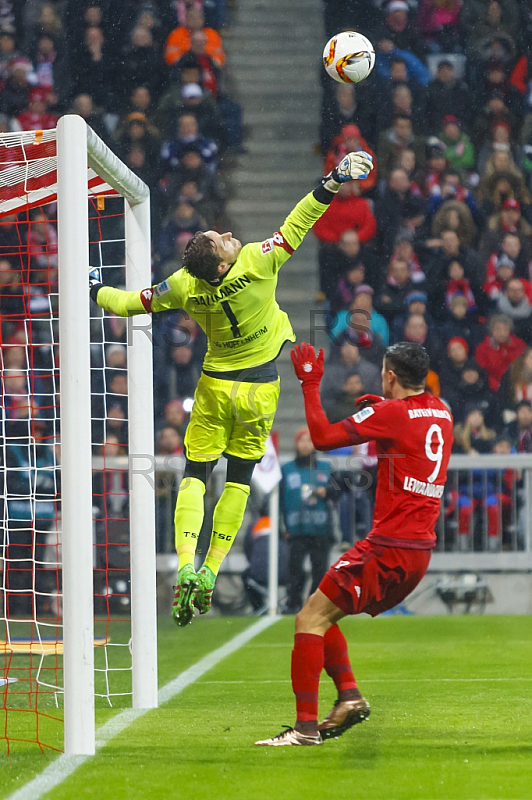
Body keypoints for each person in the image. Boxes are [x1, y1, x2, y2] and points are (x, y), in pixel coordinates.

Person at [89, 149, 374, 627]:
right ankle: (212, 569)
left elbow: (130, 303)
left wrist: (95, 286)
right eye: (218, 241)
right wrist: (333, 180)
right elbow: (300, 220)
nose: (225, 236)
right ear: (221, 265)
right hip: (260, 388)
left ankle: (185, 565)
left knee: (196, 474)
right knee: (239, 480)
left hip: (216, 386)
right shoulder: (256, 263)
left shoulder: (183, 285)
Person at [255, 341, 453, 745]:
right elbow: (409, 428)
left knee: (308, 620)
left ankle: (306, 728)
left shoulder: (390, 413)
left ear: (391, 376)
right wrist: (377, 405)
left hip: (387, 546)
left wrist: (310, 384)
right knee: (319, 611)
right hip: (418, 550)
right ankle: (347, 698)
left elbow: (323, 437)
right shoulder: (443, 410)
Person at [280, 428, 338, 614]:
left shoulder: (326, 467)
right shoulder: (287, 469)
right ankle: (293, 603)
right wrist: (284, 526)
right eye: (302, 441)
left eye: (309, 440)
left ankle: (315, 605)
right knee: (295, 570)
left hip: (321, 528)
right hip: (296, 528)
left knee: (320, 570)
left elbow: (338, 491)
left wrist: (326, 491)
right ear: (296, 444)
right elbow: (280, 499)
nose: (305, 444)